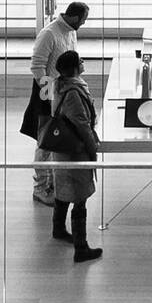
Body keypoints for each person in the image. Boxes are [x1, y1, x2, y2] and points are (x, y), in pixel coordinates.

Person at [23, 1, 90, 207]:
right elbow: (37, 66)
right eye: (84, 19)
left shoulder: (70, 32)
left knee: (57, 140)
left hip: (63, 94)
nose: (84, 23)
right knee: (44, 142)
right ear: (74, 17)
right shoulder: (49, 33)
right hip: (48, 95)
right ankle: (40, 188)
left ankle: (51, 183)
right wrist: (49, 96)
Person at [47, 51, 103, 264]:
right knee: (80, 197)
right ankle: (81, 247)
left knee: (63, 191)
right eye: (79, 61)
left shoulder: (61, 85)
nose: (83, 63)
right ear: (73, 69)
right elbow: (82, 125)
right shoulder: (73, 92)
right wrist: (92, 150)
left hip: (61, 149)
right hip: (74, 151)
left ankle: (58, 229)